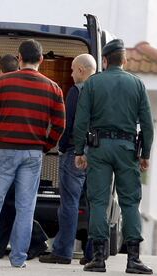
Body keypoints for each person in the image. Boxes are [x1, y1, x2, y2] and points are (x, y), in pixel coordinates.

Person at [0, 39, 65, 268]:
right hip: (33, 154)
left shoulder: (2, 82)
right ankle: (18, 258)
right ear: (41, 60)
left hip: (5, 150)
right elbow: (59, 125)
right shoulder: (53, 88)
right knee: (26, 207)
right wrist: (45, 146)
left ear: (19, 58)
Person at [73, 39, 153, 274]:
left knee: (98, 201)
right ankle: (133, 259)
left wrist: (79, 151)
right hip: (127, 149)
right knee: (129, 202)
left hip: (98, 148)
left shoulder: (93, 83)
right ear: (125, 60)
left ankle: (98, 258)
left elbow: (81, 121)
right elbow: (147, 124)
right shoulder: (137, 84)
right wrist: (145, 153)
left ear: (105, 61)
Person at [0, 54, 49, 260]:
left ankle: (33, 240)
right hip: (29, 151)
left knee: (7, 201)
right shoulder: (27, 88)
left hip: (7, 150)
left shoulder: (2, 87)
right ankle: (3, 245)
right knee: (17, 202)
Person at [39, 54, 96, 265]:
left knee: (69, 203)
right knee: (94, 205)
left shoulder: (76, 91)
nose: (71, 74)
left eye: (72, 70)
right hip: (98, 155)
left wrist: (61, 147)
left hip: (74, 152)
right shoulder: (103, 90)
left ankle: (62, 252)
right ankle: (92, 254)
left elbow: (68, 122)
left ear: (81, 70)